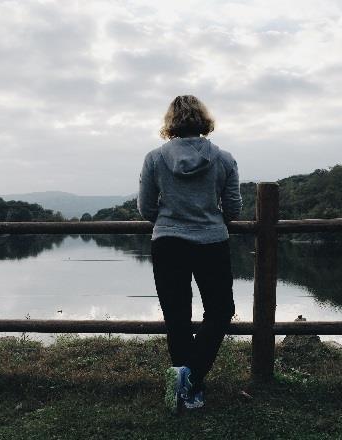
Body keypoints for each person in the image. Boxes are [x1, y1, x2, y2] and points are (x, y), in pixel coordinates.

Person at [137, 95, 242, 413]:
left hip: (168, 243)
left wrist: (170, 222)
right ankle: (191, 382)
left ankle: (187, 384)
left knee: (177, 317)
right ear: (203, 121)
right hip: (211, 242)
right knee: (221, 311)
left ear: (171, 123)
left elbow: (145, 207)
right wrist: (210, 221)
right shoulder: (224, 159)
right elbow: (234, 207)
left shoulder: (154, 159)